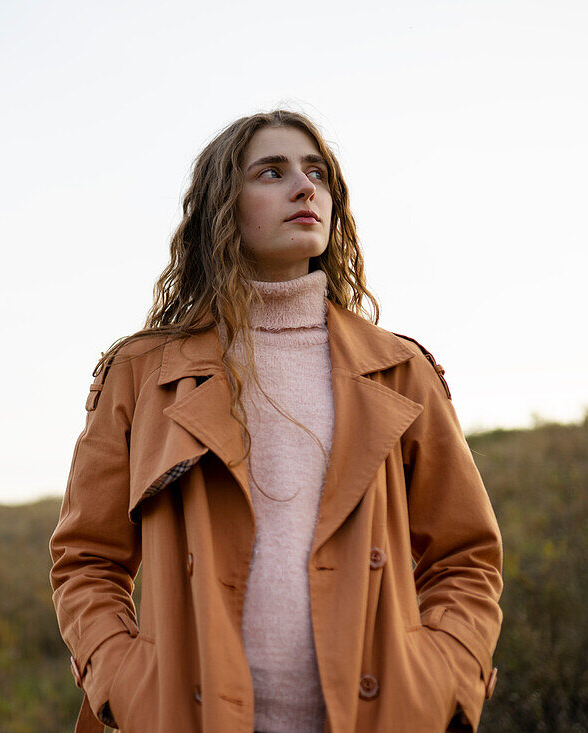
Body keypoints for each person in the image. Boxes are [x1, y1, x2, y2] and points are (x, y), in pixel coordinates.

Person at [48, 109, 503, 733]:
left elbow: (465, 556)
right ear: (221, 205)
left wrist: (445, 674)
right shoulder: (142, 373)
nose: (303, 186)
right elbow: (87, 559)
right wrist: (125, 678)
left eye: (316, 172)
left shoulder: (400, 369)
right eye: (271, 171)